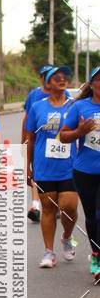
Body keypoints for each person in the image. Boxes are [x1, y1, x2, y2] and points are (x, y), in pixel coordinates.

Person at [25, 65, 78, 268]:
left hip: (69, 165)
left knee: (69, 206)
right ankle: (49, 252)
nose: (62, 79)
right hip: (44, 165)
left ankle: (66, 237)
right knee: (48, 208)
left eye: (65, 77)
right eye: (57, 77)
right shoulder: (38, 107)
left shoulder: (74, 105)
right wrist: (28, 166)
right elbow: (30, 138)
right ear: (48, 83)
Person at [60, 65, 100, 278]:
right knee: (92, 217)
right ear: (92, 84)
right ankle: (95, 253)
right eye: (99, 79)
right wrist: (79, 131)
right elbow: (63, 136)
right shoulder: (80, 107)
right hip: (85, 171)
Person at [23, 64, 52, 223]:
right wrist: (24, 140)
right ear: (41, 78)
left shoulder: (65, 94)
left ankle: (55, 204)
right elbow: (26, 119)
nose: (48, 79)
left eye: (51, 75)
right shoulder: (34, 95)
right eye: (45, 75)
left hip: (56, 142)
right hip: (37, 141)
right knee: (36, 172)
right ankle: (36, 206)